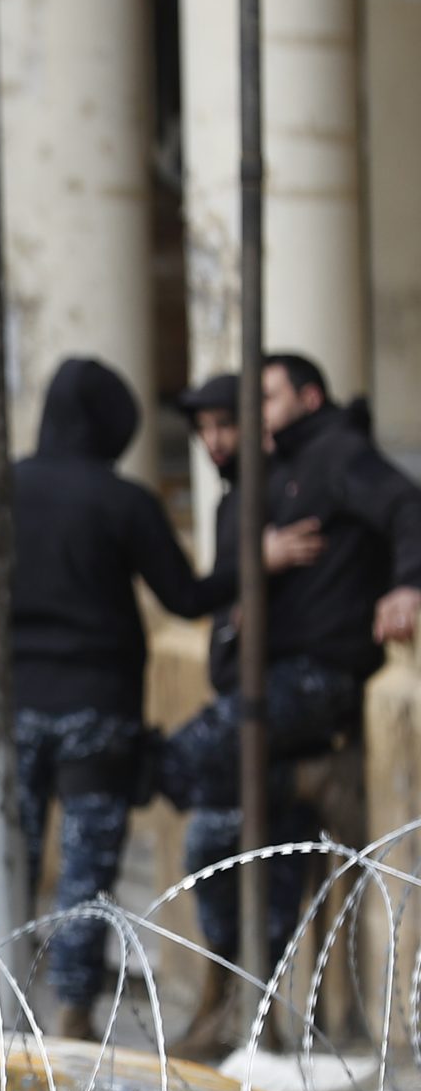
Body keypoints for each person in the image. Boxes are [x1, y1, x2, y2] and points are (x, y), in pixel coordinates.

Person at [161, 353, 421, 1054]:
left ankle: (250, 1011)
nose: (223, 437)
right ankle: (240, 1007)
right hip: (267, 703)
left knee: (175, 763)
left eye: (246, 411)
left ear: (302, 399)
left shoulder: (329, 459)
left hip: (309, 691)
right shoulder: (247, 498)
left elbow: (404, 507)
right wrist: (253, 574)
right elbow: (223, 625)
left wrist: (407, 585)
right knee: (230, 838)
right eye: (208, 427)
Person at [10, 359, 267, 1042]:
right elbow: (186, 598)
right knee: (87, 869)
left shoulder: (1, 489)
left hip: (12, 705)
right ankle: (73, 1010)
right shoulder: (121, 501)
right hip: (99, 705)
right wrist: (255, 562)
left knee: (13, 856)